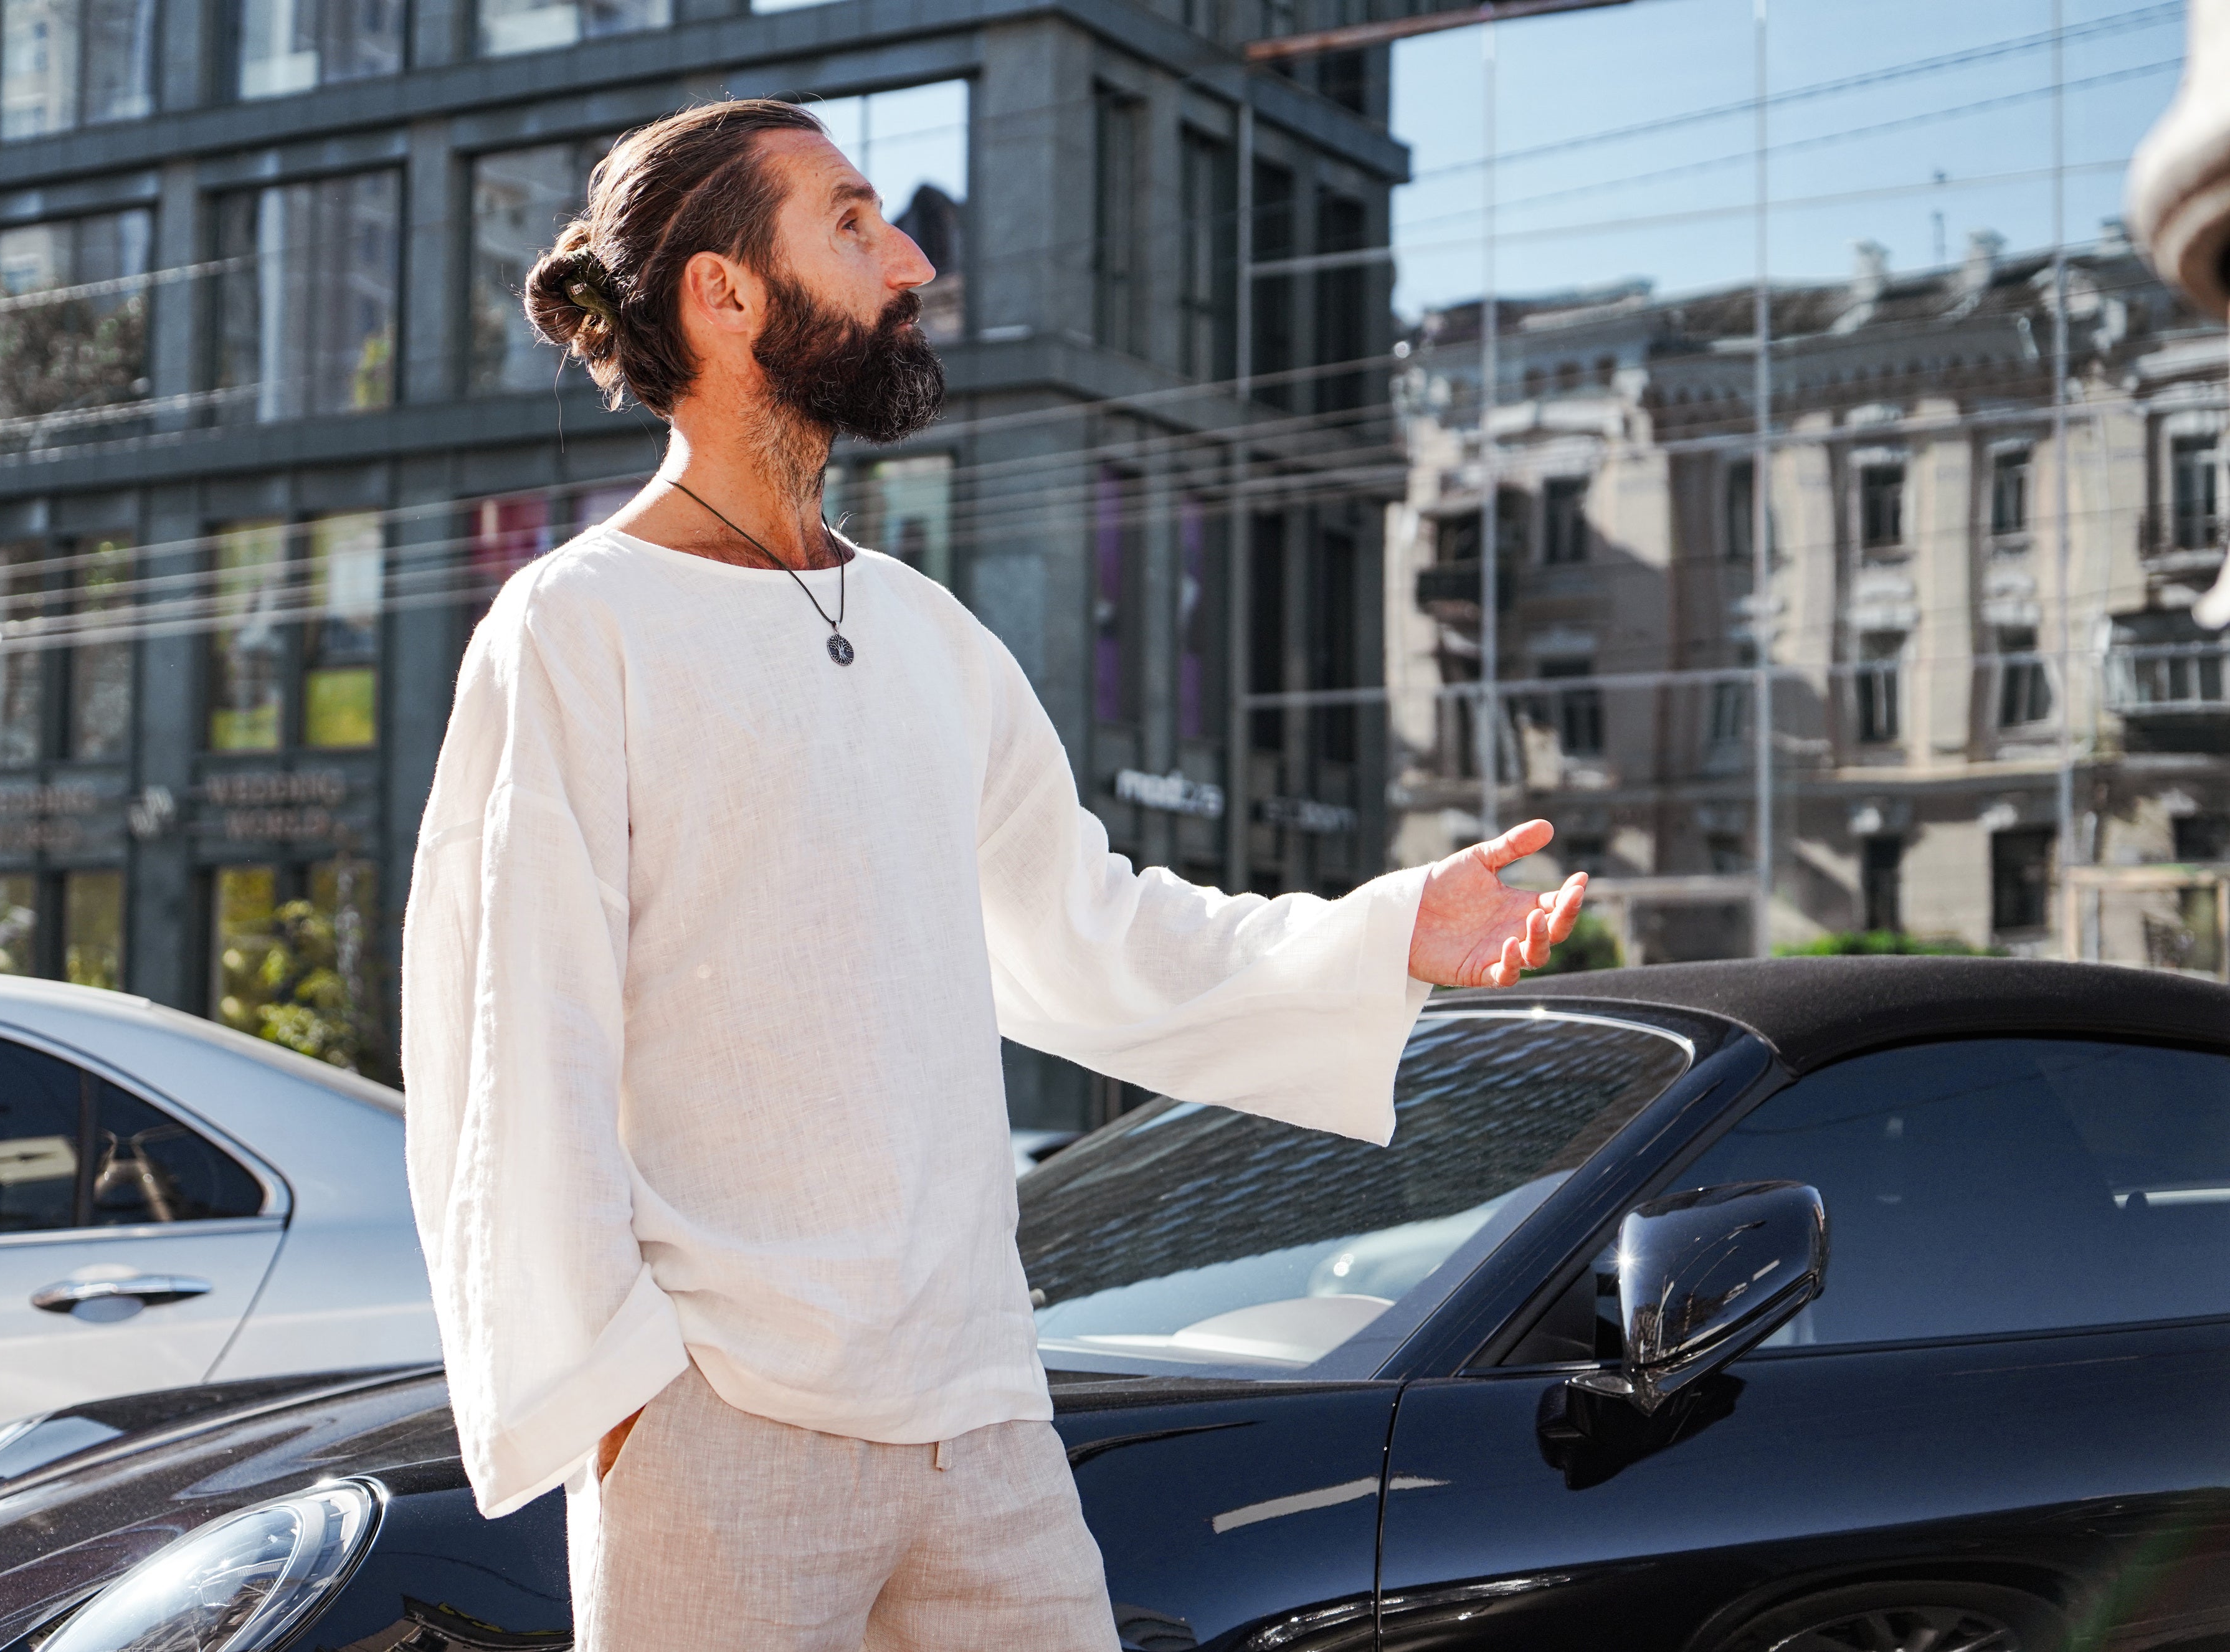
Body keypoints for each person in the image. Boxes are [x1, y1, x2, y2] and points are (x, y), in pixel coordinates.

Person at [401, 96, 1588, 1652]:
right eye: (851, 223)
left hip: (979, 1417)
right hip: (720, 1423)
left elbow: (1083, 933)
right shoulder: (576, 627)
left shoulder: (928, 635)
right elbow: (511, 1037)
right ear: (723, 293)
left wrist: (1384, 933)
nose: (910, 263)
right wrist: (615, 1392)